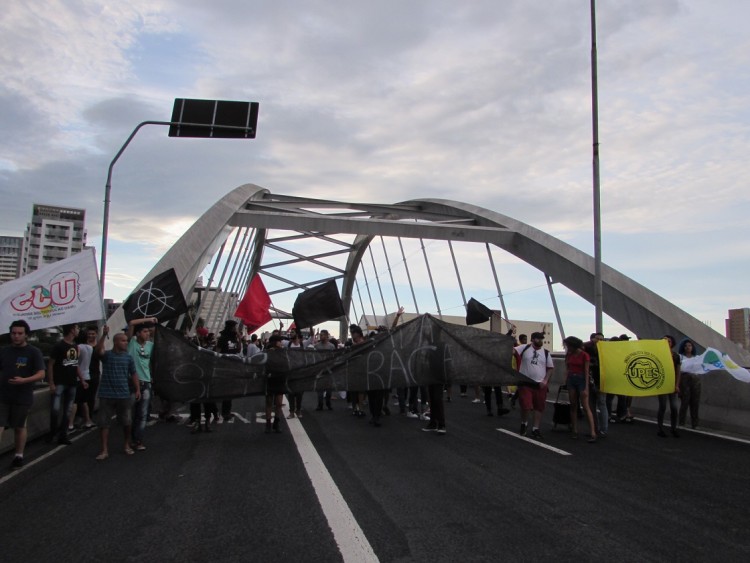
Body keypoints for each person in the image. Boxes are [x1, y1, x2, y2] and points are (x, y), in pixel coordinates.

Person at [0, 320, 46, 468]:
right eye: (13, 333)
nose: (16, 336)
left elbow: (41, 374)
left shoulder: (33, 352)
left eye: (20, 333)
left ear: (26, 335)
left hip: (22, 396)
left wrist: (25, 380)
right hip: (3, 395)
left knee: (19, 426)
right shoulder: (4, 351)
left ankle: (18, 455)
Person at [95, 325, 140, 459]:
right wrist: (103, 335)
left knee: (126, 421)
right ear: (116, 342)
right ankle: (104, 450)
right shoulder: (107, 355)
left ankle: (126, 444)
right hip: (106, 394)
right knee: (104, 423)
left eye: (127, 341)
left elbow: (133, 374)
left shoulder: (128, 358)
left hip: (123, 394)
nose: (126, 343)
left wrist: (137, 389)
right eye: (123, 341)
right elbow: (98, 351)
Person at [48, 323, 84, 445]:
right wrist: (51, 383)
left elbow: (75, 364)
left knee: (68, 411)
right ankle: (53, 433)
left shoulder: (75, 346)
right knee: (55, 410)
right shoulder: (59, 346)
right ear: (72, 330)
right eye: (77, 328)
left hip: (72, 382)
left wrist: (82, 380)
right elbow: (51, 364)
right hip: (60, 382)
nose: (78, 330)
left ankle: (63, 435)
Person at [514, 332, 554, 439]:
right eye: (538, 339)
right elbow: (512, 351)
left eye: (541, 339)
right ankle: (524, 423)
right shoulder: (524, 348)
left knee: (539, 407)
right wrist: (511, 338)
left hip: (540, 383)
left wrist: (545, 381)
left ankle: (535, 428)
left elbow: (550, 368)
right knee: (526, 405)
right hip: (526, 382)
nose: (540, 341)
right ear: (532, 339)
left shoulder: (545, 353)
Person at [127, 317, 157, 451]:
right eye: (144, 331)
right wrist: (149, 319)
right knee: (128, 413)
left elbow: (150, 362)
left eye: (148, 332)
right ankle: (127, 440)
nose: (147, 334)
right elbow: (132, 323)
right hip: (132, 383)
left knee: (142, 414)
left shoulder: (151, 346)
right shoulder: (132, 343)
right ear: (138, 333)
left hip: (145, 382)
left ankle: (137, 440)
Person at [563, 336, 597, 443]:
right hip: (572, 379)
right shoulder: (569, 354)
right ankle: (575, 430)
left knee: (586, 406)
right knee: (573, 405)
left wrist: (586, 388)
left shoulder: (584, 355)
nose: (567, 348)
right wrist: (566, 380)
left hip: (581, 379)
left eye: (569, 345)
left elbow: (586, 372)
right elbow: (567, 368)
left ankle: (593, 432)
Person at [217, 319, 242, 422]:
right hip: (224, 366)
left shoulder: (234, 338)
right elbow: (217, 351)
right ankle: (224, 412)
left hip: (233, 366)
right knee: (226, 390)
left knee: (230, 390)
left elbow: (238, 350)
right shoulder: (223, 338)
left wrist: (239, 338)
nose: (235, 329)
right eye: (234, 327)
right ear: (231, 327)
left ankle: (227, 410)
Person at [657, 335, 682, 438]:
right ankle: (660, 428)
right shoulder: (658, 354)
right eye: (664, 341)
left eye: (669, 341)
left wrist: (676, 385)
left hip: (672, 385)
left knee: (674, 407)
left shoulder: (676, 356)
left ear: (672, 344)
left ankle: (673, 428)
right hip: (662, 384)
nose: (667, 342)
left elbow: (678, 372)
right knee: (662, 406)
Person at [584, 332, 607, 437]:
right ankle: (599, 428)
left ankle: (599, 429)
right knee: (596, 405)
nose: (599, 341)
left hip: (597, 381)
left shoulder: (587, 349)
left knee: (597, 404)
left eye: (601, 339)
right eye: (598, 339)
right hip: (594, 381)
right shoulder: (605, 352)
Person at [678, 339, 701, 429]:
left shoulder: (697, 358)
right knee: (685, 401)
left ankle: (695, 424)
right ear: (683, 347)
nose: (688, 347)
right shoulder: (680, 357)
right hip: (684, 379)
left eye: (690, 346)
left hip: (695, 380)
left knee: (695, 402)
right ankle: (681, 422)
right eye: (686, 346)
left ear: (692, 347)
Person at [314, 329, 336, 411]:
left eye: (322, 335)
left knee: (329, 390)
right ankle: (320, 405)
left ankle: (328, 403)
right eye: (320, 335)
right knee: (319, 389)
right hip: (320, 370)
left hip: (329, 370)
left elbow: (334, 358)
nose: (321, 336)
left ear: (327, 336)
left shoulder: (331, 346)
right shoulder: (317, 346)